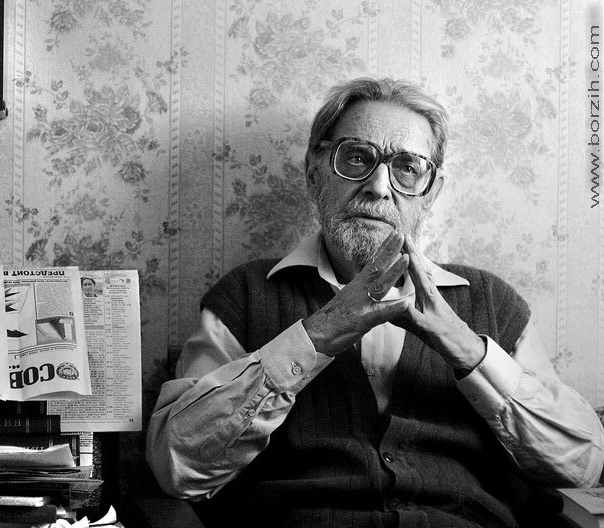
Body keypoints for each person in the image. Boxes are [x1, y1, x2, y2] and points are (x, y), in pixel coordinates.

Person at [145, 77, 604, 528]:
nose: (379, 186)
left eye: (407, 167)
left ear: (431, 192)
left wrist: (467, 349)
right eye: (356, 158)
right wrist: (315, 338)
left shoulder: (492, 302)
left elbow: (582, 465)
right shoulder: (245, 295)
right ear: (314, 172)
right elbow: (176, 466)